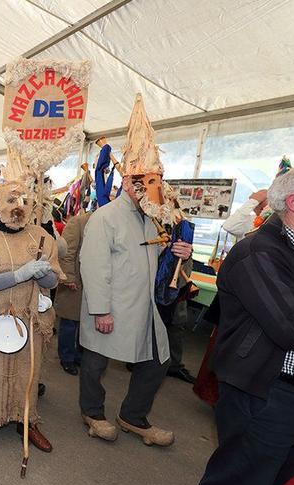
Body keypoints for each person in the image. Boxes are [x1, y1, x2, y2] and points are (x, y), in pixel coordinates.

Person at [78, 94, 192, 447]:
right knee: (96, 363)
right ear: (128, 181)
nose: (151, 187)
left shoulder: (153, 218)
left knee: (158, 360)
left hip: (145, 308)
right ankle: (93, 413)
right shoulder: (105, 218)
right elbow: (93, 266)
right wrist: (100, 310)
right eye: (144, 180)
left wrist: (180, 255)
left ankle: (133, 416)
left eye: (156, 180)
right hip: (110, 306)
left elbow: (163, 267)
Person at [197, 164, 294, 485]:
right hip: (267, 392)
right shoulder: (259, 251)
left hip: (291, 394)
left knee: (279, 481)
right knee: (239, 483)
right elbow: (292, 326)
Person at [0, 148, 59, 451]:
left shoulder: (41, 236)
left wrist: (41, 275)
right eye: (11, 201)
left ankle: (25, 421)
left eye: (24, 201)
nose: (19, 207)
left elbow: (53, 279)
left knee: (25, 372)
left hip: (28, 317)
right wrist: (20, 275)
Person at [55, 201, 91, 375]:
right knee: (70, 322)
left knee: (85, 322)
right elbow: (66, 252)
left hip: (92, 284)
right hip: (75, 281)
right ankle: (67, 357)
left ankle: (78, 354)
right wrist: (68, 277)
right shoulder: (78, 222)